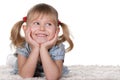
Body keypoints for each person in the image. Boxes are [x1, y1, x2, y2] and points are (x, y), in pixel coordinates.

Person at [10, 3, 74, 80]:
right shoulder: (23, 46)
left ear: (56, 30)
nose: (42, 28)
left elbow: (52, 77)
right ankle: (12, 60)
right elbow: (25, 76)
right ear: (25, 28)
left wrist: (43, 49)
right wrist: (35, 48)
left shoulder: (58, 47)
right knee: (14, 62)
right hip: (23, 65)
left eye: (48, 24)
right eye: (37, 23)